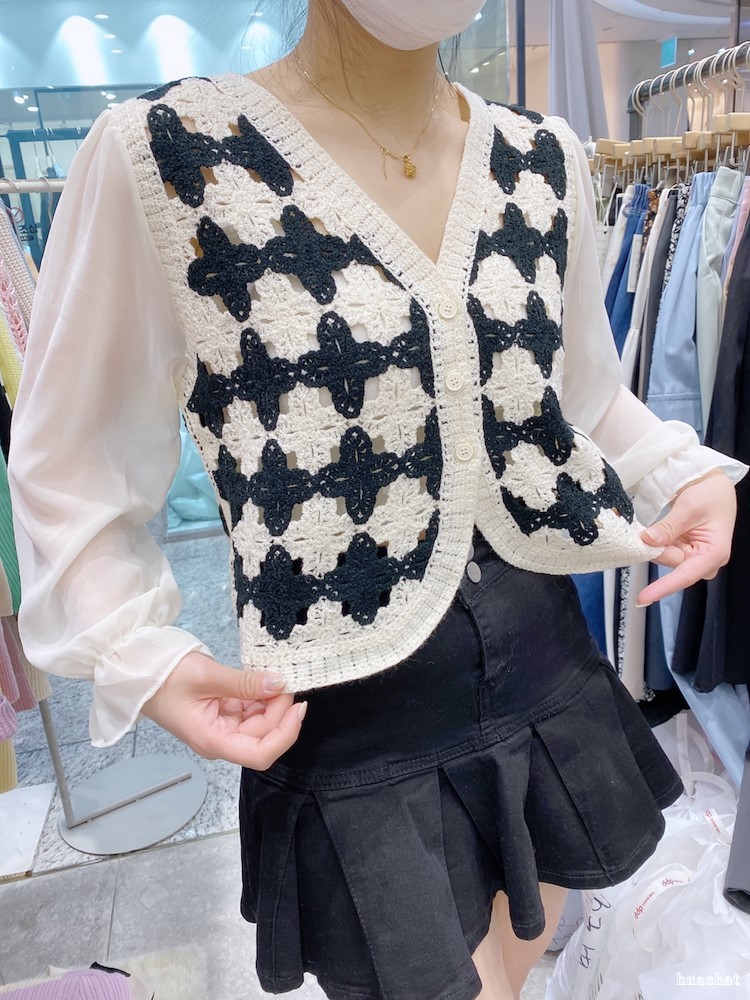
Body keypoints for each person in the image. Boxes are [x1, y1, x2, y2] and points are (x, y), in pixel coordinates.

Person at [8, 1, 747, 998]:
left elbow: (579, 390)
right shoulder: (172, 158)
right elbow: (71, 464)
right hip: (358, 723)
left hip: (543, 670)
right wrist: (144, 657)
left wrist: (679, 469)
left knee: (521, 973)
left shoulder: (542, 160)